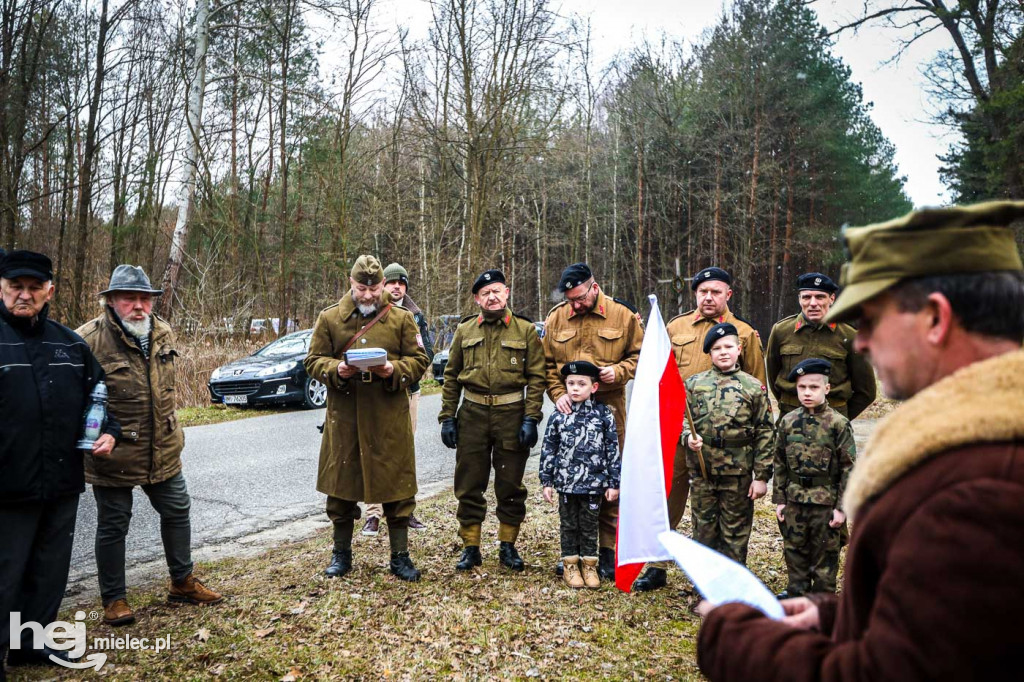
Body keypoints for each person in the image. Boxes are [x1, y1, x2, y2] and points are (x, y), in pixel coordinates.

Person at [696, 201, 1024, 681]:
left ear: (935, 319)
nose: (862, 343)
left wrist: (733, 638)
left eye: (870, 320)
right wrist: (834, 618)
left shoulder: (981, 487)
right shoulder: (971, 448)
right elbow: (948, 631)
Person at [76, 265, 222, 627]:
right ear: (111, 301)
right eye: (130, 299)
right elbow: (73, 400)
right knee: (114, 526)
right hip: (114, 452)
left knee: (177, 511)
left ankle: (182, 582)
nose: (139, 306)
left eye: (145, 299)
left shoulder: (163, 332)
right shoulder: (86, 340)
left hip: (163, 447)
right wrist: (93, 436)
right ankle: (114, 600)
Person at [0, 251, 119, 672]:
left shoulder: (70, 344)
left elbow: (99, 400)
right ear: (2, 287)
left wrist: (109, 431)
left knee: (48, 572)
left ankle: (31, 646)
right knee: (5, 576)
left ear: (50, 291)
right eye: (16, 287)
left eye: (34, 288)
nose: (24, 296)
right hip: (7, 488)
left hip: (61, 483)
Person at [639, 267, 767, 591]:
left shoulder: (745, 333)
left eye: (716, 291)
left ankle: (726, 571)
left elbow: (756, 386)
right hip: (678, 432)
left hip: (727, 448)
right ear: (695, 294)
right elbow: (658, 374)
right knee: (669, 496)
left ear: (728, 294)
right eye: (702, 292)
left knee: (722, 511)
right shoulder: (676, 327)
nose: (708, 297)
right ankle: (657, 563)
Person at [304, 255, 430, 582]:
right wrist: (336, 370)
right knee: (341, 488)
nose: (370, 295)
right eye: (363, 289)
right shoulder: (330, 318)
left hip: (389, 417)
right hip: (345, 418)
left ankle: (400, 556)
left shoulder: (402, 319)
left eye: (374, 289)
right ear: (351, 284)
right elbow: (313, 361)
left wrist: (393, 370)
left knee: (397, 489)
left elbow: (420, 360)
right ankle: (341, 554)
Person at [439, 269, 545, 571]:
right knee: (469, 483)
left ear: (507, 293)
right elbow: (451, 377)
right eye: (485, 293)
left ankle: (507, 545)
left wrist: (531, 418)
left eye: (497, 290)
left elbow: (537, 377)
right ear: (477, 299)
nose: (492, 296)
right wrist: (447, 417)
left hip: (511, 415)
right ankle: (470, 546)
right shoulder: (465, 330)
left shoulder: (524, 330)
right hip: (471, 415)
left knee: (510, 484)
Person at [542, 262, 643, 579]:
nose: (575, 304)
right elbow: (546, 364)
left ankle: (606, 552)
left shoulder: (622, 316)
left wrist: (621, 371)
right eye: (570, 299)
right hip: (569, 411)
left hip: (609, 405)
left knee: (610, 478)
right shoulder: (556, 318)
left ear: (594, 287)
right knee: (572, 482)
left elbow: (639, 356)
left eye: (580, 298)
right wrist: (557, 391)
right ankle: (572, 551)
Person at [679, 323, 773, 566]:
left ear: (739, 349)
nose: (723, 352)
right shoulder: (694, 384)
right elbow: (680, 418)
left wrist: (761, 476)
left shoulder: (753, 387)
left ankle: (733, 594)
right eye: (717, 348)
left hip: (738, 473)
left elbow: (765, 431)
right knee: (704, 531)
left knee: (735, 532)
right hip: (703, 471)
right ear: (709, 353)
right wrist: (688, 436)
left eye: (729, 346)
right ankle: (705, 590)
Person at [771, 358, 855, 599]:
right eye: (802, 387)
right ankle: (796, 594)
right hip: (795, 500)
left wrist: (842, 509)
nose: (807, 393)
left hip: (824, 503)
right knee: (794, 550)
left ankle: (821, 601)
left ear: (826, 389)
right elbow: (780, 462)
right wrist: (780, 499)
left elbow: (848, 469)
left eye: (814, 387)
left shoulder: (838, 424)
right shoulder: (788, 422)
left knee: (824, 555)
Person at [361, 262, 433, 536]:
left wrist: (399, 369)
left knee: (404, 452)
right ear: (383, 285)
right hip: (373, 394)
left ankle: (405, 510)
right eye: (391, 282)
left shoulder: (416, 315)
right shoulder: (369, 311)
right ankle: (373, 514)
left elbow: (425, 354)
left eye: (401, 283)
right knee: (373, 450)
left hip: (407, 391)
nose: (396, 287)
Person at [540, 360, 620, 589]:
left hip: (594, 484)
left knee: (589, 525)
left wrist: (614, 483)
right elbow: (549, 448)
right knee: (568, 525)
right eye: (571, 383)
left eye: (581, 384)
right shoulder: (558, 416)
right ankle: (570, 565)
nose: (575, 388)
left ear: (593, 388)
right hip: (566, 484)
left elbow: (612, 450)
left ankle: (589, 565)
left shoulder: (603, 415)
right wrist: (547, 481)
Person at [765, 273, 876, 419]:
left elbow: (866, 391)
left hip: (832, 421)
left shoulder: (849, 336)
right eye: (806, 297)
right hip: (790, 419)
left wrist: (840, 418)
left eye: (820, 297)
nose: (813, 303)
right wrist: (790, 402)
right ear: (799, 299)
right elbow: (774, 378)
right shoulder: (781, 331)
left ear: (832, 299)